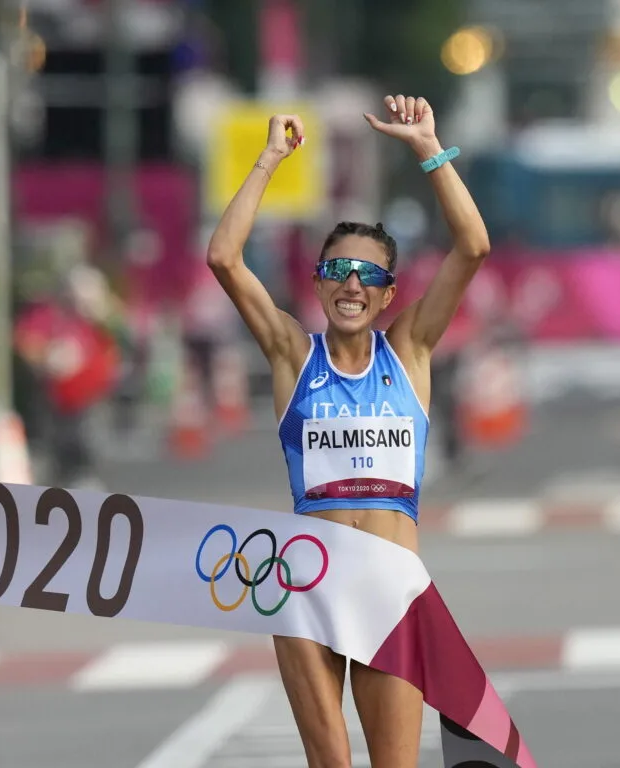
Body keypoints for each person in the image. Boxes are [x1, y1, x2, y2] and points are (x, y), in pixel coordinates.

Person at [206, 95, 490, 768]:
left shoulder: (411, 351)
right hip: (307, 584)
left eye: (368, 275)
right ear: (318, 283)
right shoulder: (289, 355)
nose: (351, 284)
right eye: (337, 270)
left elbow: (472, 247)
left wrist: (429, 149)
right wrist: (270, 157)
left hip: (390, 589)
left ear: (390, 294)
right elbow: (224, 257)